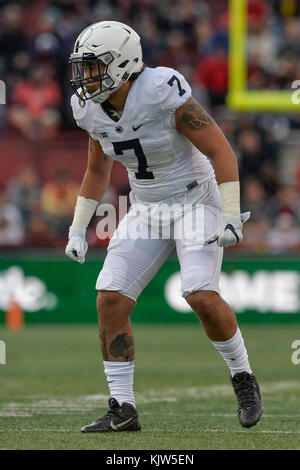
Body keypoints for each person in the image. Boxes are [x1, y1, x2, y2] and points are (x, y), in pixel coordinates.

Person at [66, 20, 263, 433]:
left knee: (201, 295)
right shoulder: (87, 108)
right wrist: (77, 227)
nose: (86, 78)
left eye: (94, 67)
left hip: (196, 199)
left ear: (123, 63)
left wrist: (230, 214)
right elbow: (96, 169)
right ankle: (122, 407)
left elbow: (222, 151)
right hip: (147, 207)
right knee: (110, 299)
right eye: (83, 68)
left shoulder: (160, 90)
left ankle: (243, 376)